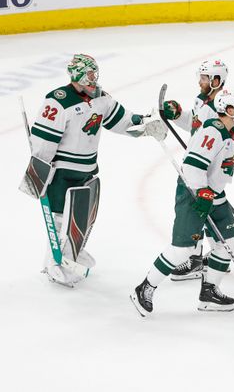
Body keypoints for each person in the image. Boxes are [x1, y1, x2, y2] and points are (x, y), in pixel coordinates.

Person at [130, 89, 234, 317]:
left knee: (229, 241)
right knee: (182, 250)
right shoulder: (212, 132)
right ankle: (144, 288)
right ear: (229, 110)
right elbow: (192, 166)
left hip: (214, 195)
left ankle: (209, 291)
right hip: (193, 195)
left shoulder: (232, 133)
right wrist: (201, 192)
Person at [22, 54, 166, 287]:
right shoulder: (58, 101)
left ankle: (72, 254)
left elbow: (123, 120)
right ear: (77, 74)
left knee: (81, 218)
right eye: (89, 74)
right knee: (60, 220)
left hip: (87, 169)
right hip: (62, 172)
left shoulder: (101, 98)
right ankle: (55, 265)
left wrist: (147, 124)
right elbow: (43, 142)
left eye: (94, 73)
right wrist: (38, 175)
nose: (93, 78)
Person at [160, 58, 230, 281]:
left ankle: (196, 259)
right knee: (204, 210)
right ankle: (215, 254)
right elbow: (195, 125)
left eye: (204, 78)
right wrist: (179, 114)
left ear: (216, 81)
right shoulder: (203, 101)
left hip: (205, 169)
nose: (200, 82)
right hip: (199, 164)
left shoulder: (220, 107)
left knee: (199, 210)